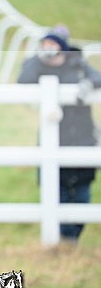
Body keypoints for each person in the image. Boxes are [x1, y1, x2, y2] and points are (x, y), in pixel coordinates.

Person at [17, 25, 101, 241]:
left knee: (82, 190)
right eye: (45, 45)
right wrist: (40, 60)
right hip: (53, 138)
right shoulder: (36, 66)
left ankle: (74, 235)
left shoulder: (78, 64)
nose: (48, 49)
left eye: (53, 45)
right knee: (56, 186)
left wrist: (87, 84)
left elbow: (97, 77)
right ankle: (63, 238)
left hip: (83, 136)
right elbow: (23, 82)